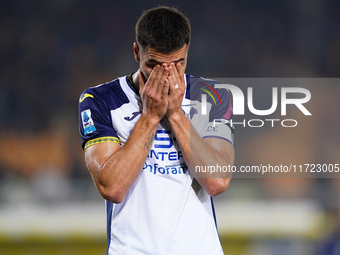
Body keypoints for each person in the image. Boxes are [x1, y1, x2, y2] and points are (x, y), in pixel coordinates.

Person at [78, 6, 235, 255]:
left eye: (177, 64)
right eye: (154, 65)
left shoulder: (213, 95)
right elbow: (112, 188)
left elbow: (217, 181)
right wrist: (150, 116)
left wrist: (175, 114)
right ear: (136, 52)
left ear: (187, 53)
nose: (166, 75)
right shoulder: (99, 100)